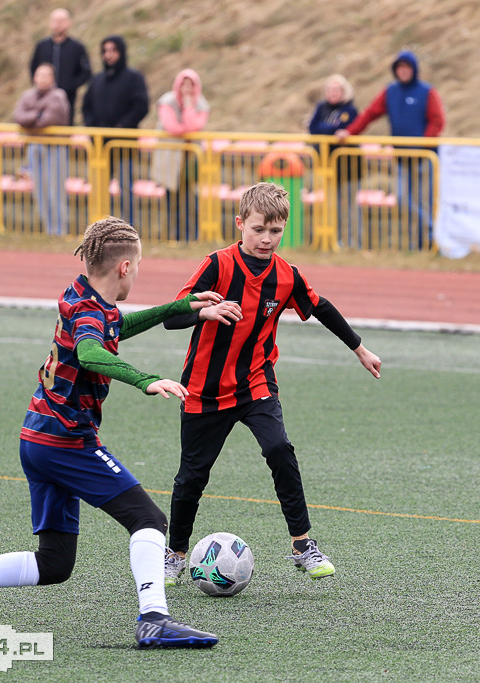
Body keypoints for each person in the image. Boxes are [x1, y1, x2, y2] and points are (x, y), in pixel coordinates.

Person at [0, 217, 224, 648]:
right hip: (65, 441)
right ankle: (154, 618)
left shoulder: (81, 295)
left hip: (37, 437)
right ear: (125, 268)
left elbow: (115, 327)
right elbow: (92, 350)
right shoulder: (91, 314)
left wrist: (181, 307)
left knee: (55, 563)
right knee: (149, 520)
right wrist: (145, 379)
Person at [160, 182, 382, 587]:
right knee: (192, 476)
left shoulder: (285, 276)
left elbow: (321, 308)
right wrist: (204, 314)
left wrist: (360, 349)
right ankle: (174, 554)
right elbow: (172, 317)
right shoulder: (218, 265)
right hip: (205, 390)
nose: (266, 239)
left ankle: (303, 545)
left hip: (256, 384)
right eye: (259, 229)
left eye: (276, 231)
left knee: (280, 449)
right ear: (240, 224)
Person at [335, 50, 445, 250]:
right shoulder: (390, 92)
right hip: (402, 158)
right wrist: (350, 132)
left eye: (406, 68)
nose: (403, 72)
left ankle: (427, 242)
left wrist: (423, 145)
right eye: (400, 68)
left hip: (424, 158)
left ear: (414, 70)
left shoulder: (427, 92)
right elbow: (369, 114)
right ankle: (418, 240)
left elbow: (437, 121)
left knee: (425, 202)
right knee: (403, 200)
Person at [82, 36, 149, 226]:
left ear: (121, 52)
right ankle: (100, 227)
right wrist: (93, 128)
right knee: (100, 189)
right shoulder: (96, 80)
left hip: (123, 144)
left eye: (113, 50)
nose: (109, 55)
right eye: (105, 51)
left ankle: (128, 228)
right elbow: (86, 107)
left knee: (125, 189)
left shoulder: (134, 78)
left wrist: (121, 127)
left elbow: (141, 106)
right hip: (100, 146)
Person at [150, 68, 210, 242]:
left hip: (191, 157)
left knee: (192, 198)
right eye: (184, 84)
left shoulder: (201, 104)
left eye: (191, 85)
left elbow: (196, 125)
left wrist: (189, 106)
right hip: (171, 158)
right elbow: (173, 127)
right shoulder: (167, 102)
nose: (187, 88)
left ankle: (193, 237)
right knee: (172, 197)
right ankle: (174, 236)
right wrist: (187, 130)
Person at [13, 63, 71, 236]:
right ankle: (48, 229)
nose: (42, 79)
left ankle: (60, 230)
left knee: (56, 190)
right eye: (39, 75)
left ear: (52, 78)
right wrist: (36, 116)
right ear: (34, 77)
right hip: (35, 147)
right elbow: (18, 116)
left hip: (55, 147)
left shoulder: (58, 96)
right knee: (40, 190)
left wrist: (31, 120)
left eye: (46, 75)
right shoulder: (27, 95)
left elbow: (49, 119)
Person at [29, 9, 91, 126]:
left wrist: (70, 86)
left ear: (69, 23)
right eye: (55, 20)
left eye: (62, 20)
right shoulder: (42, 46)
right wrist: (39, 83)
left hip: (68, 98)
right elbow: (33, 67)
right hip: (41, 98)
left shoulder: (77, 47)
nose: (58, 24)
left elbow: (86, 71)